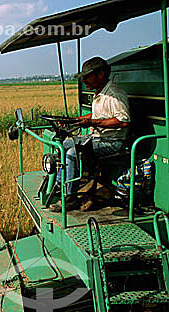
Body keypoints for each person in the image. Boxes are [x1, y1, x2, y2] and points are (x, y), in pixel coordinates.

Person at [50, 56, 130, 212]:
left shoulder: (114, 94)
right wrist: (73, 120)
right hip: (98, 137)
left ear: (100, 74)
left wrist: (92, 123)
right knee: (62, 144)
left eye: (87, 76)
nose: (84, 81)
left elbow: (124, 121)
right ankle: (61, 185)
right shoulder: (100, 93)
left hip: (113, 141)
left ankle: (71, 196)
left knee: (72, 152)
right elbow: (96, 116)